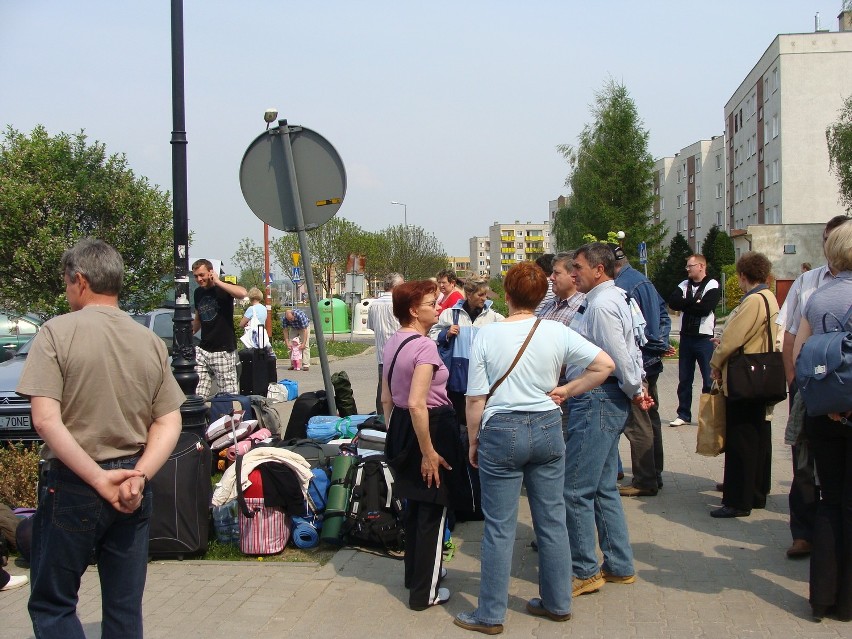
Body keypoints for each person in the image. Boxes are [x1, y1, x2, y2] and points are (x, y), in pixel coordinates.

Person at [16, 238, 185, 638]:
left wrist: (96, 478)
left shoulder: (56, 333)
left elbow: (44, 421)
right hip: (132, 485)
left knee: (53, 604)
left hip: (74, 483)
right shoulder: (148, 340)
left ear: (79, 280)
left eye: (66, 282)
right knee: (124, 608)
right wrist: (139, 476)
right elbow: (169, 421)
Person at [453, 263, 614, 635]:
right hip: (546, 427)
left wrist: (474, 442)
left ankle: (491, 614)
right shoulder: (557, 330)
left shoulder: (487, 336)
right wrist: (565, 391)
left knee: (499, 526)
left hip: (501, 430)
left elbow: (475, 398)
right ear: (541, 294)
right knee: (552, 518)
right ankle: (558, 603)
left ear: (506, 296)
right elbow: (604, 365)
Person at [564, 243, 652, 597]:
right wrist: (636, 386)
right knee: (601, 487)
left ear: (598, 270)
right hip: (606, 396)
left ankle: (585, 569)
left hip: (598, 398)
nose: (573, 274)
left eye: (578, 267)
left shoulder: (601, 304)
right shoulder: (614, 298)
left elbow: (619, 356)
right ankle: (618, 564)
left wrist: (635, 388)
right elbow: (632, 349)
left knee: (574, 489)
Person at [382, 281, 471, 612]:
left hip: (404, 426)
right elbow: (419, 403)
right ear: (412, 310)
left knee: (416, 507)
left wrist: (398, 436)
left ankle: (417, 575)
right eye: (432, 303)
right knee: (434, 507)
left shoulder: (395, 341)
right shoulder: (424, 347)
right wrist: (429, 452)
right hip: (429, 427)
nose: (438, 308)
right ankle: (426, 592)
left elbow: (386, 398)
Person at [777, 215, 849, 558]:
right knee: (803, 461)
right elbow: (790, 335)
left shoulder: (826, 293)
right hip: (810, 386)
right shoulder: (807, 281)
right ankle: (803, 532)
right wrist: (795, 380)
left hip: (838, 390)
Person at [792, 219, 852, 622]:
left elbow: (800, 357)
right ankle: (847, 603)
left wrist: (828, 402)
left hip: (822, 414)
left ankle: (822, 598)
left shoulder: (818, 297)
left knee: (830, 501)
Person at [708, 252, 779, 518]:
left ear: (742, 276)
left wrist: (716, 362)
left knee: (741, 439)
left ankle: (738, 500)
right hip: (762, 374)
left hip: (745, 377)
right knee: (759, 437)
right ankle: (756, 491)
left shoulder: (753, 300)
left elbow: (733, 338)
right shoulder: (769, 296)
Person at [611, 243, 672, 496]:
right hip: (649, 361)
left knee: (638, 423)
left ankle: (645, 479)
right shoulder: (642, 280)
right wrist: (660, 345)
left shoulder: (622, 287)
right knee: (651, 418)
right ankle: (654, 473)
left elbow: (632, 330)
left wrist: (649, 348)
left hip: (638, 363)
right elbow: (664, 316)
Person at [668, 254, 721, 426]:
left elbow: (705, 308)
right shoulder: (684, 284)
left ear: (700, 266)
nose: (687, 269)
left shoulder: (712, 284)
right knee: (684, 378)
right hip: (686, 337)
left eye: (690, 266)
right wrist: (693, 301)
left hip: (704, 338)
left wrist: (687, 303)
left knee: (708, 378)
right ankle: (683, 414)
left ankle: (709, 415)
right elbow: (674, 302)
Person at [191, 259, 247, 398]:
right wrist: (188, 335)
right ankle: (200, 418)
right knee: (197, 394)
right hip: (203, 350)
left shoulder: (223, 288)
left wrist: (218, 282)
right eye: (196, 276)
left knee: (228, 396)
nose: (199, 279)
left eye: (202, 275)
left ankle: (230, 418)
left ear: (210, 272)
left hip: (223, 350)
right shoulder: (198, 293)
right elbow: (198, 318)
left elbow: (242, 293)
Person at [367, 272, 403, 414]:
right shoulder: (398, 304)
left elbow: (371, 326)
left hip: (382, 354)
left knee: (383, 389)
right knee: (401, 389)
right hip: (400, 353)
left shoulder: (374, 305)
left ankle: (382, 418)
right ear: (396, 286)